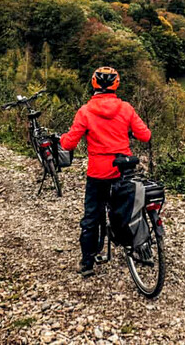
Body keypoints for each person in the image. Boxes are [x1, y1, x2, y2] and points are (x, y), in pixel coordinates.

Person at [59, 66, 151, 277]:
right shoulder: (126, 108)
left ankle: (87, 263)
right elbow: (145, 135)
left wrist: (63, 139)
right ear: (116, 84)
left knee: (92, 215)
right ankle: (140, 248)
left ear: (94, 84)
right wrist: (129, 134)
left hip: (98, 174)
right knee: (130, 209)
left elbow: (69, 143)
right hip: (123, 170)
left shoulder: (85, 111)